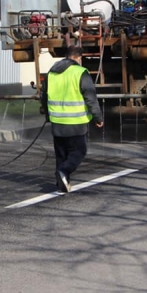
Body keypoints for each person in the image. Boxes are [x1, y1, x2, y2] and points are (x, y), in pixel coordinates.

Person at [40, 45, 104, 193]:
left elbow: (44, 96)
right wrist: (98, 117)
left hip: (57, 121)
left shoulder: (52, 72)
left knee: (61, 154)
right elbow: (90, 98)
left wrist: (48, 115)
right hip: (76, 122)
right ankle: (63, 171)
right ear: (79, 58)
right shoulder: (80, 72)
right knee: (79, 151)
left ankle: (62, 183)